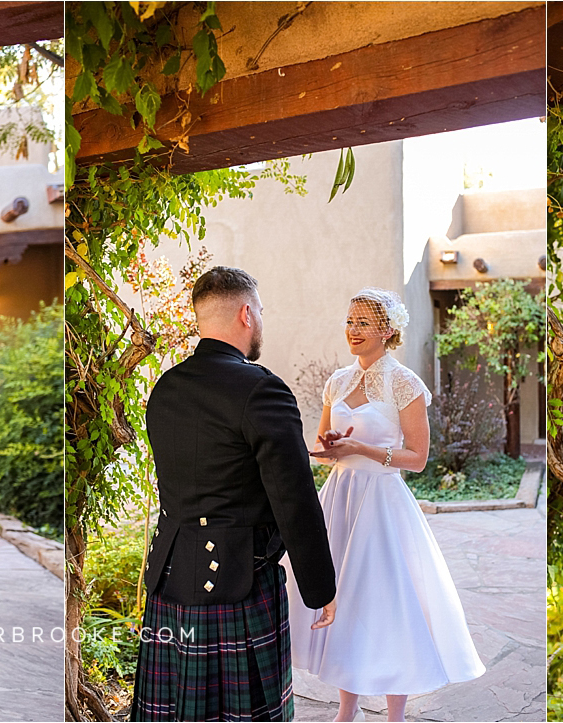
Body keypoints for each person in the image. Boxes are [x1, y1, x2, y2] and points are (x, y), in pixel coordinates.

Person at [132, 266, 337, 722]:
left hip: (168, 577)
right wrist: (321, 587)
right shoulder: (261, 390)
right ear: (246, 314)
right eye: (260, 310)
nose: (261, 318)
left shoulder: (165, 389)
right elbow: (294, 499)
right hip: (238, 585)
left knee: (173, 710)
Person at [292, 288, 484, 722]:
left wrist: (362, 446)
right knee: (340, 597)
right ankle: (347, 709)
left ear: (388, 330)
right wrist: (325, 448)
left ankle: (395, 714)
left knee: (386, 603)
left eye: (363, 323)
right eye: (349, 321)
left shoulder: (405, 383)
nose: (353, 331)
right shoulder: (336, 381)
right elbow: (323, 447)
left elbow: (417, 458)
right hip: (339, 501)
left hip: (381, 502)